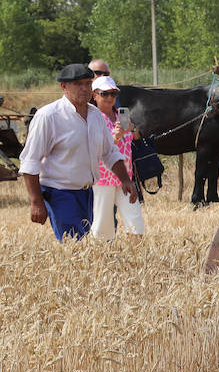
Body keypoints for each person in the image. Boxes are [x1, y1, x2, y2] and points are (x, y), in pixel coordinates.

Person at [19, 63, 136, 241]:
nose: (84, 88)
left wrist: (126, 180)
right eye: (78, 84)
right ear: (63, 87)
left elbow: (110, 152)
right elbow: (30, 161)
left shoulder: (96, 116)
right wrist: (36, 201)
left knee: (81, 246)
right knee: (75, 245)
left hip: (87, 194)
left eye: (88, 83)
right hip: (59, 193)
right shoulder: (48, 116)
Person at [90, 75, 145, 239]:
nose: (109, 98)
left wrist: (132, 129)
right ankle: (99, 259)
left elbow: (136, 137)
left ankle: (136, 258)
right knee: (102, 224)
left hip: (125, 177)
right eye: (104, 94)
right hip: (103, 177)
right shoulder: (92, 117)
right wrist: (116, 137)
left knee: (135, 220)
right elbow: (96, 146)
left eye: (113, 94)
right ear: (94, 95)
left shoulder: (121, 114)